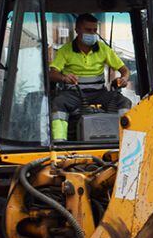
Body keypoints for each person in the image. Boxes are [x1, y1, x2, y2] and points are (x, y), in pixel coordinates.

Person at [48, 13, 131, 142]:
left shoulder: (103, 49)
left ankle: (126, 140)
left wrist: (124, 78)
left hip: (99, 93)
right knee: (58, 103)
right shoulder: (65, 50)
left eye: (95, 30)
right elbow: (52, 74)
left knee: (124, 102)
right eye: (88, 30)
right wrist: (64, 78)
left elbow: (124, 70)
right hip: (73, 94)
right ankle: (60, 144)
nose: (92, 34)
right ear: (77, 30)